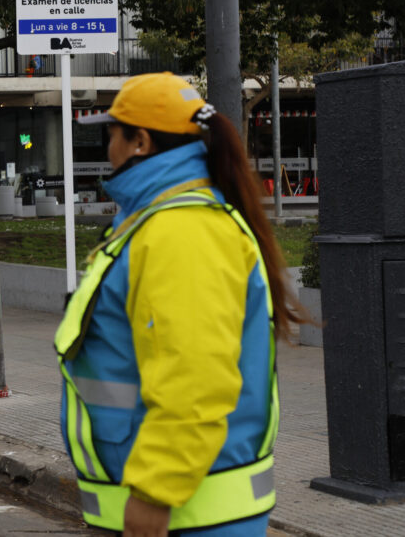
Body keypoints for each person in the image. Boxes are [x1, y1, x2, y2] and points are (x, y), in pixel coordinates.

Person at [54, 72, 304, 536]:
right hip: (176, 512)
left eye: (112, 133)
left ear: (139, 142)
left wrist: (154, 494)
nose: (107, 147)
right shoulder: (163, 222)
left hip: (181, 517)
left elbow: (194, 376)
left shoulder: (182, 231)